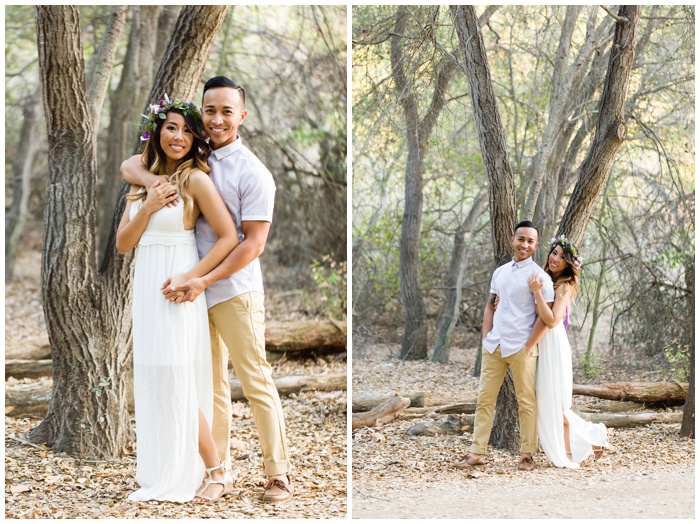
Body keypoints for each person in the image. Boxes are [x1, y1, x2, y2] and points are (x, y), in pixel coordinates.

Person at [121, 77, 293, 503]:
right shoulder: (193, 158)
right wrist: (147, 180)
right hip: (185, 293)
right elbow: (132, 167)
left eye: (226, 112)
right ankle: (218, 472)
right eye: (210, 111)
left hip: (230, 289)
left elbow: (251, 242)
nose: (217, 119)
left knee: (255, 381)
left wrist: (202, 280)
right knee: (208, 385)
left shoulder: (252, 172)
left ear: (241, 116)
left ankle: (278, 474)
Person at [116, 96, 239, 502]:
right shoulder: (143, 180)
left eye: (188, 130)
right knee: (155, 377)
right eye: (172, 127)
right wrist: (148, 205)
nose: (179, 137)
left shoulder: (195, 181)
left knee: (179, 379)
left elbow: (227, 237)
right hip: (146, 288)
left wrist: (192, 277)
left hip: (176, 288)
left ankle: (217, 470)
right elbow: (122, 244)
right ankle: (165, 466)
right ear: (157, 132)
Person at [452, 220, 554, 471]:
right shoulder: (500, 273)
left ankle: (527, 454)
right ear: (512, 240)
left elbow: (546, 317)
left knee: (526, 401)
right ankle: (477, 452)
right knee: (485, 400)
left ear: (536, 245)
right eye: (521, 239)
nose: (525, 245)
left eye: (530, 241)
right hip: (494, 346)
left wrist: (530, 345)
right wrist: (486, 336)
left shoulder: (540, 278)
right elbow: (490, 305)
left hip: (522, 347)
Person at [528, 236, 610, 468]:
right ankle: (585, 443)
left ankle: (587, 441)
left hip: (554, 345)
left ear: (569, 265)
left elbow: (553, 321)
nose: (554, 259)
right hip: (542, 343)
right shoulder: (545, 279)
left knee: (559, 404)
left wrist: (536, 293)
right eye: (553, 253)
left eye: (561, 257)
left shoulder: (564, 285)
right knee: (548, 402)